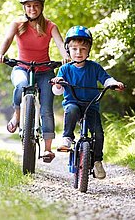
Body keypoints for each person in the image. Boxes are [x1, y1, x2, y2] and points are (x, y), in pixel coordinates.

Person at [0, 0, 69, 163]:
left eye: (36, 5)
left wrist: (65, 56)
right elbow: (7, 40)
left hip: (44, 71)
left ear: (41, 7)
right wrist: (1, 53)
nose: (32, 9)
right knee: (20, 85)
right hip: (22, 68)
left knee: (46, 109)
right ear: (24, 8)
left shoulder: (50, 26)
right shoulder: (18, 24)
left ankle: (47, 149)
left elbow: (60, 43)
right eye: (28, 6)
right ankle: (18, 114)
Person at [51, 25, 125, 179]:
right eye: (75, 49)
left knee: (98, 133)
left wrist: (114, 83)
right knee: (71, 110)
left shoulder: (94, 67)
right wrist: (58, 83)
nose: (79, 52)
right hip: (74, 103)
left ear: (89, 50)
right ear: (68, 50)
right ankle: (67, 137)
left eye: (83, 49)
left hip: (91, 105)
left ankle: (97, 161)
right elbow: (57, 90)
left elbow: (106, 79)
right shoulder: (65, 69)